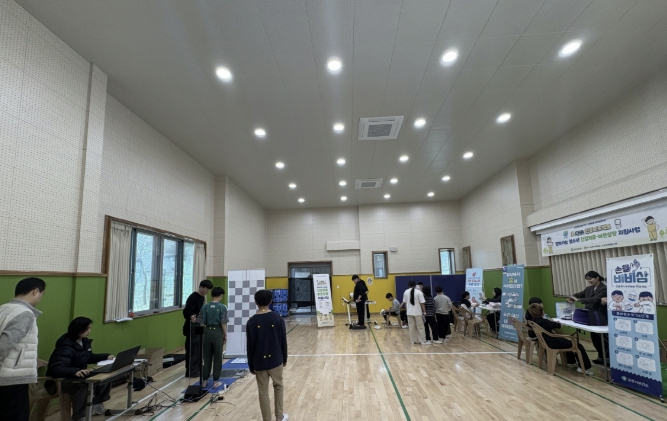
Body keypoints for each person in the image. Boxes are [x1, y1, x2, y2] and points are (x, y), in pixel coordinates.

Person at [46, 317, 115, 419]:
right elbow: (55, 368)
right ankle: (79, 417)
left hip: (78, 375)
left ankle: (97, 403)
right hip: (62, 380)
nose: (89, 331)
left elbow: (88, 357)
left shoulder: (84, 341)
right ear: (78, 329)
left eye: (89, 328)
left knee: (105, 376)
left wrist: (105, 356)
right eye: (86, 329)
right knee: (82, 386)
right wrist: (74, 371)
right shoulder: (65, 346)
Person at [0, 277, 46, 421]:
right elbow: (4, 344)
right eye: (42, 294)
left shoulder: (3, 308)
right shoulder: (24, 314)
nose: (40, 298)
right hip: (11, 378)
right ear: (35, 291)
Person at [246, 290, 289, 421]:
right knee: (278, 386)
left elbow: (250, 346)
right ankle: (279, 417)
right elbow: (283, 340)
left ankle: (267, 419)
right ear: (271, 301)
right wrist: (284, 358)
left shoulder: (251, 322)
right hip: (276, 359)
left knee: (263, 391)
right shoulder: (277, 318)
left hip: (259, 361)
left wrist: (251, 365)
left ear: (256, 302)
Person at [527, 303, 592, 375]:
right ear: (542, 312)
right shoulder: (546, 322)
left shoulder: (533, 321)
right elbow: (560, 325)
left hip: (545, 342)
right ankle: (584, 368)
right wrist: (552, 321)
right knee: (578, 346)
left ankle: (571, 361)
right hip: (553, 342)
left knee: (567, 342)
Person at [568, 271, 608, 365]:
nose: (589, 281)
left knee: (602, 338)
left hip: (600, 316)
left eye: (591, 279)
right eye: (587, 279)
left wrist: (579, 300)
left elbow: (595, 300)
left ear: (597, 278)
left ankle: (606, 358)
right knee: (594, 338)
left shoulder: (604, 288)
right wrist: (572, 297)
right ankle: (600, 356)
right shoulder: (589, 288)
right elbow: (579, 294)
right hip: (590, 316)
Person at [198, 287, 228, 389]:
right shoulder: (222, 307)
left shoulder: (204, 307)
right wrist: (225, 335)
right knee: (217, 357)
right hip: (217, 332)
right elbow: (223, 323)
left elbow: (201, 322)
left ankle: (205, 380)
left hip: (207, 332)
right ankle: (215, 381)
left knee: (206, 357)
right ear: (220, 295)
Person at [183, 279, 213, 377]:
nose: (207, 291)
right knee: (193, 350)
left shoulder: (202, 297)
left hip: (199, 326)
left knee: (199, 349)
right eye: (206, 289)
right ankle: (191, 371)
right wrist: (191, 316)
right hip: (192, 327)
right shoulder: (193, 297)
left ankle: (198, 368)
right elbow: (186, 311)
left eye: (208, 290)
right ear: (201, 287)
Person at [402, 280, 428, 345]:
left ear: (409, 285)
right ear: (415, 285)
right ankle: (422, 340)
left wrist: (407, 310)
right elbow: (422, 303)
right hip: (417, 312)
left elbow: (405, 303)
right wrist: (424, 311)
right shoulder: (419, 292)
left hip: (409, 312)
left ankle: (413, 340)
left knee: (411, 327)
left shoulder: (406, 292)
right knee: (420, 326)